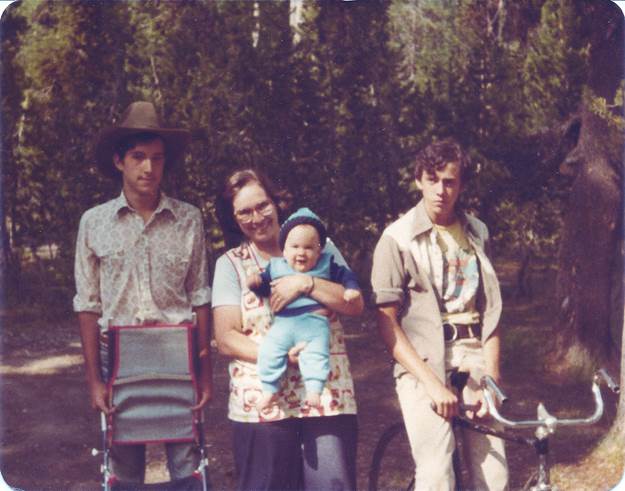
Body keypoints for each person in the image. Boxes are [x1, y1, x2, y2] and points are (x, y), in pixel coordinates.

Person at [73, 101, 212, 484]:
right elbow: (87, 305)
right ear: (120, 161)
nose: (149, 168)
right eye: (138, 157)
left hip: (178, 354)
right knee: (123, 469)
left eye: (157, 158)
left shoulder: (188, 219)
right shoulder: (94, 222)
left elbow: (200, 296)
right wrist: (93, 380)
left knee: (189, 465)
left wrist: (205, 372)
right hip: (118, 356)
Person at [212, 169, 363, 491]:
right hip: (262, 402)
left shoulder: (319, 245)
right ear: (233, 217)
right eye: (244, 211)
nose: (257, 217)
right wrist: (282, 356)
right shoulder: (230, 264)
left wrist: (306, 282)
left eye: (263, 205)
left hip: (326, 395)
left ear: (276, 202)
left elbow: (354, 304)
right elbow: (226, 338)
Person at [371, 137, 508, 490]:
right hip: (422, 361)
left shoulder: (478, 232)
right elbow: (387, 325)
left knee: (494, 475)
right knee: (435, 475)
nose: (440, 191)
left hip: (473, 355)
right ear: (419, 179)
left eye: (449, 182)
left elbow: (491, 312)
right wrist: (432, 385)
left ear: (461, 184)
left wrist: (491, 381)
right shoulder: (396, 238)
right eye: (432, 180)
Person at [246, 207, 361, 411]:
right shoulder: (276, 267)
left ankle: (314, 390)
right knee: (269, 351)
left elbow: (347, 276)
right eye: (295, 246)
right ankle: (269, 389)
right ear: (284, 249)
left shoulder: (327, 264)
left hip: (314, 323)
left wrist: (351, 289)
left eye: (308, 247)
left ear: (319, 251)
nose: (301, 252)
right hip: (283, 325)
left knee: (316, 355)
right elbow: (265, 288)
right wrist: (256, 283)